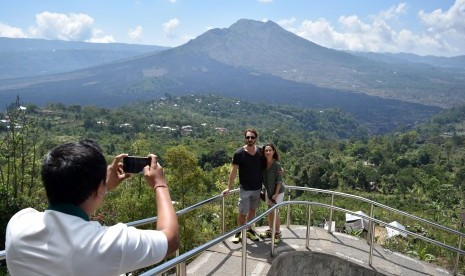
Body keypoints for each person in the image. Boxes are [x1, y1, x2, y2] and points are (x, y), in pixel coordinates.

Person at [5, 139, 179, 276]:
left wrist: (102, 188)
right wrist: (160, 184)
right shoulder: (105, 244)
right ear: (97, 188)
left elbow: (70, 215)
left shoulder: (19, 223)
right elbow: (170, 240)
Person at [222, 129, 262, 243]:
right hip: (245, 188)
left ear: (256, 139)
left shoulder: (260, 151)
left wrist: (280, 169)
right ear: (245, 138)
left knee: (252, 211)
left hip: (257, 188)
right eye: (248, 137)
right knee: (242, 213)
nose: (250, 139)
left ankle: (249, 230)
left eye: (252, 137)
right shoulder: (239, 153)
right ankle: (239, 232)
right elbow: (233, 171)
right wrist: (228, 187)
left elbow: (271, 161)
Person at [259, 143, 285, 244]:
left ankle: (277, 233)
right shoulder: (263, 163)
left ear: (273, 151)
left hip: (278, 192)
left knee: (274, 211)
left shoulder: (276, 164)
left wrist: (275, 194)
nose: (268, 152)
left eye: (270, 150)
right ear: (264, 152)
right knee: (269, 211)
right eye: (266, 150)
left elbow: (279, 181)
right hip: (268, 191)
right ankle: (270, 230)